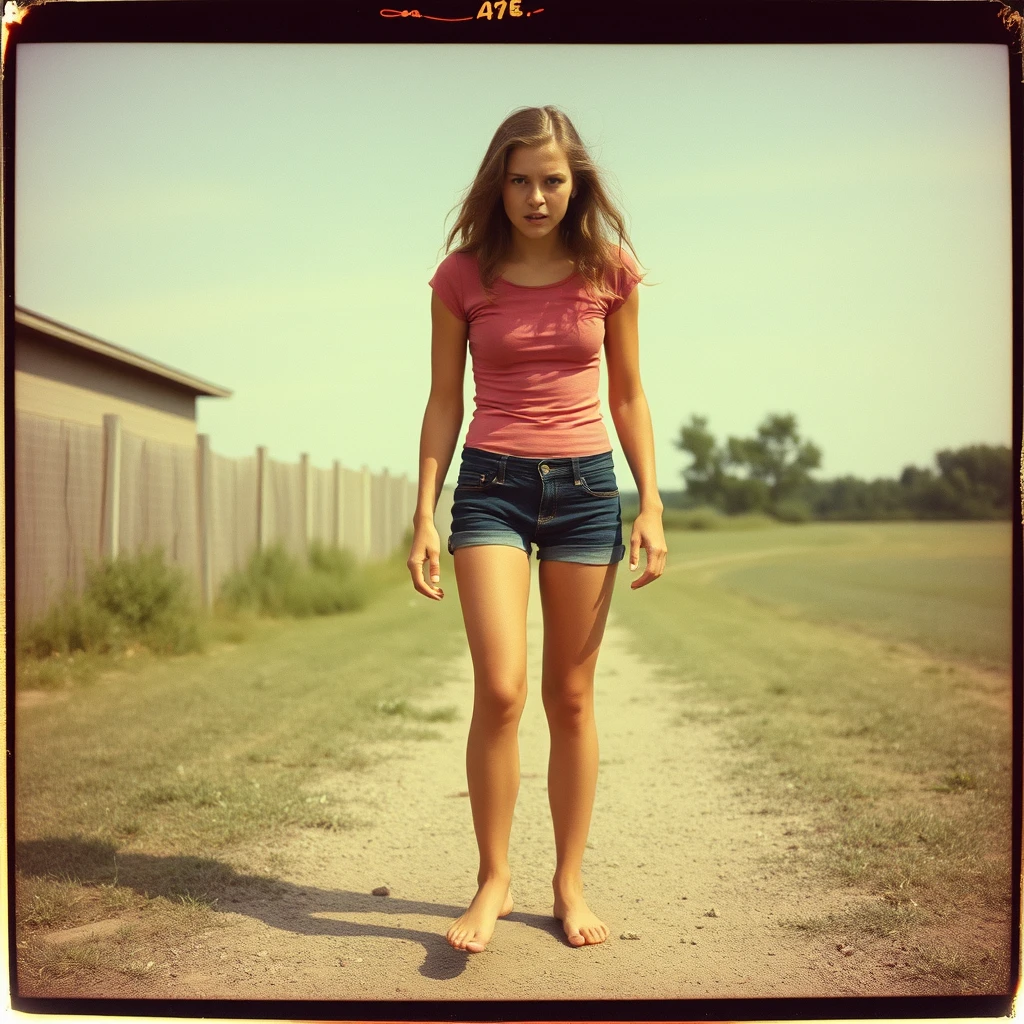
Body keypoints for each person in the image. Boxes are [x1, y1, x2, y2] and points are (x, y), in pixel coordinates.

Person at [407, 105, 667, 954]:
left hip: (588, 488)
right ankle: (493, 878)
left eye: (552, 180)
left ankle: (568, 880)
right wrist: (424, 507)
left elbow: (628, 394)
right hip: (490, 485)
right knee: (505, 689)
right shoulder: (461, 278)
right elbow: (444, 399)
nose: (535, 195)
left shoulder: (608, 271)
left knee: (573, 695)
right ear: (498, 183)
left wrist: (651, 502)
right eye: (519, 179)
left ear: (575, 183)